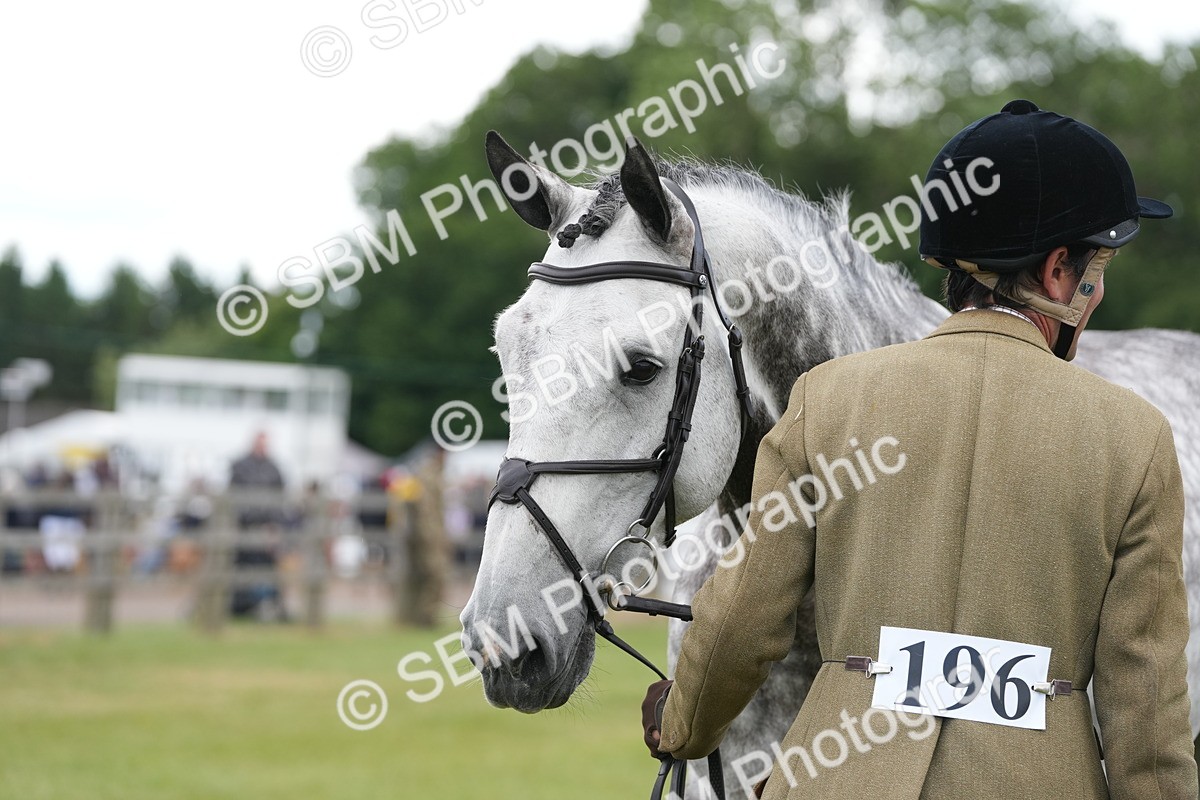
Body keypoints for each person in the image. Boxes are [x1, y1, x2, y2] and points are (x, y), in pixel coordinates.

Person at [641, 100, 1197, 798]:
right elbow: (1145, 710)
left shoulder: (825, 403)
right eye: (1100, 266)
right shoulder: (1137, 437)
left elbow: (742, 621)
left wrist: (682, 721)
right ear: (1061, 272)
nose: (1101, 289)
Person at [228, 431, 286, 618]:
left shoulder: (273, 468)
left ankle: (270, 606)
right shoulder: (240, 466)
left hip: (266, 528)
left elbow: (279, 499)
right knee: (241, 567)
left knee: (268, 568)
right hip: (245, 526)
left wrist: (274, 526)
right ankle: (240, 606)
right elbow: (233, 497)